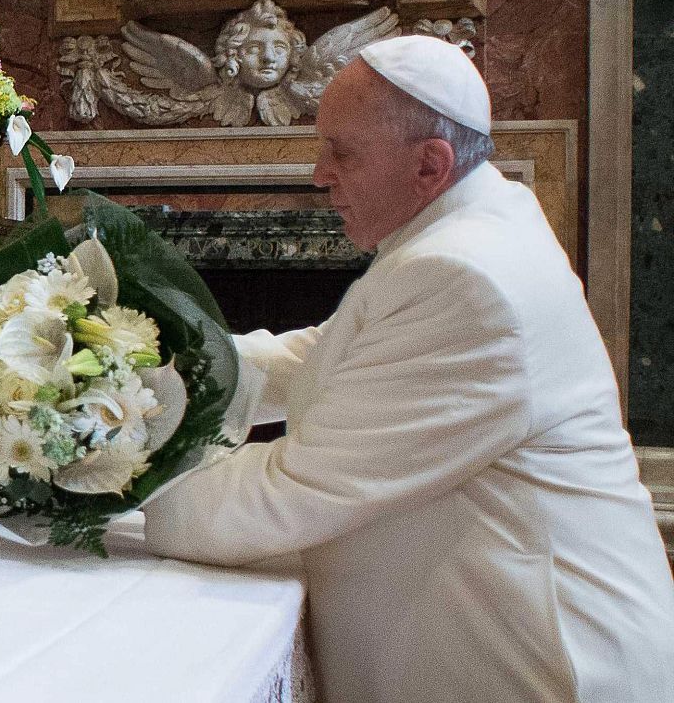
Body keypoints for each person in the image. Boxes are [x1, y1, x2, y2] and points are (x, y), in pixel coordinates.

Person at [143, 35, 674, 702]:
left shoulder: (466, 274)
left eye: (342, 152)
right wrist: (149, 374)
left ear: (431, 164)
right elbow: (323, 354)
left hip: (546, 664)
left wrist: (127, 461)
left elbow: (290, 492)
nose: (317, 173)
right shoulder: (465, 228)